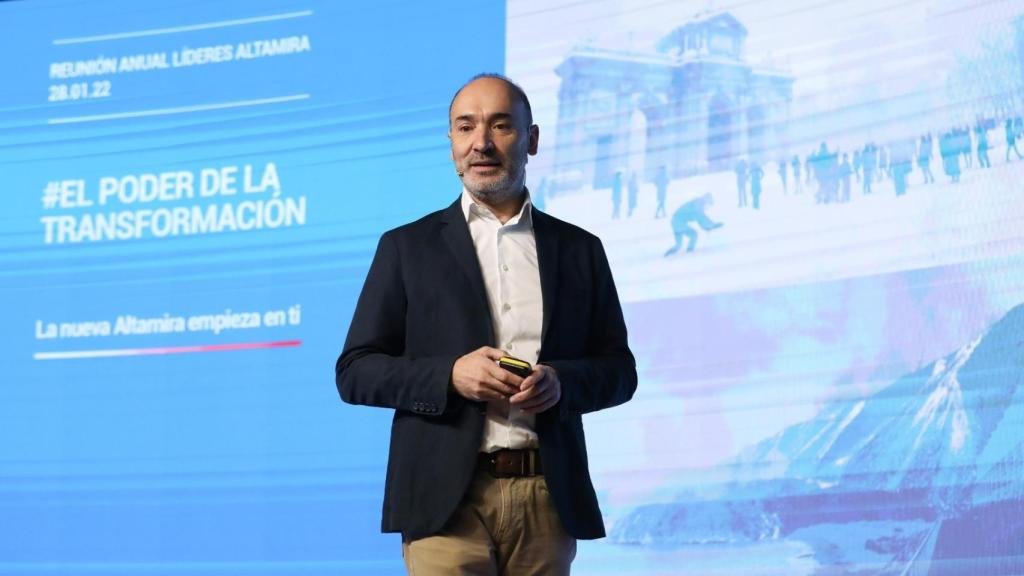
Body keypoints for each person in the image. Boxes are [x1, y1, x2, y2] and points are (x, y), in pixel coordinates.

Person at [335, 74, 637, 576]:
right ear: (451, 142)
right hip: (442, 502)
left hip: (548, 497)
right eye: (465, 127)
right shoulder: (406, 248)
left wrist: (562, 383)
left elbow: (619, 371)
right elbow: (355, 370)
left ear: (532, 139)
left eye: (501, 125)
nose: (482, 142)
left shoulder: (580, 249)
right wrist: (449, 376)